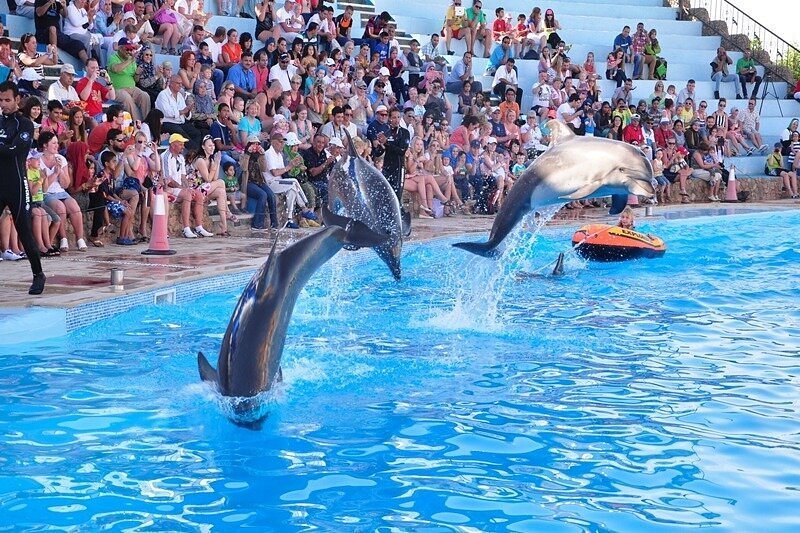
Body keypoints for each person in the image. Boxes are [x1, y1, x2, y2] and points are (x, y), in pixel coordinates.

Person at [0, 81, 45, 294]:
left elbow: (13, 150)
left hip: (17, 184)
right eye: (0, 100)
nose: (4, 104)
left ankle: (38, 274)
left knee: (24, 231)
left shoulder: (24, 124)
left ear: (17, 100)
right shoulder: (0, 122)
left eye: (7, 100)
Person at [108, 37, 152, 122]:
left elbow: (135, 80)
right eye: (127, 49)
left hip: (132, 88)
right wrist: (131, 59)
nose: (129, 51)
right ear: (120, 48)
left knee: (145, 96)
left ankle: (147, 123)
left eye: (131, 49)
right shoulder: (114, 57)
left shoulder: (131, 60)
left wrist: (137, 73)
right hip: (117, 89)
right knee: (127, 98)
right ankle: (136, 124)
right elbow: (116, 69)